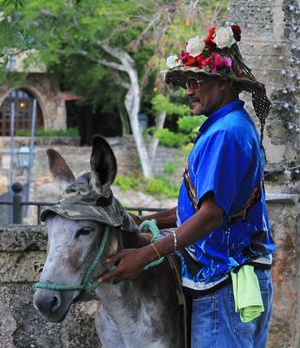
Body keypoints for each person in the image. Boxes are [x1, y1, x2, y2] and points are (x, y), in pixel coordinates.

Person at [98, 24, 276, 347]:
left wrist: (147, 253)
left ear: (223, 83)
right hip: (231, 282)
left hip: (225, 287)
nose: (188, 91)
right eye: (186, 83)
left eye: (195, 81)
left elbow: (209, 216)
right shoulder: (227, 127)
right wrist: (146, 221)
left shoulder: (226, 133)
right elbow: (201, 209)